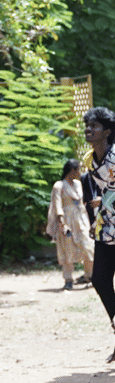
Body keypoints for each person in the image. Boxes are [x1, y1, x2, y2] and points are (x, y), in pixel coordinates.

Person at [84, 106, 115, 362]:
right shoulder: (90, 159)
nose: (88, 129)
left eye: (94, 126)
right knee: (99, 278)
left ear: (106, 132)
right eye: (87, 125)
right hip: (105, 228)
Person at [47, 159, 94, 290]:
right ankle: (68, 279)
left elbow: (82, 201)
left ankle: (89, 276)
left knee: (89, 246)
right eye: (78, 169)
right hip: (67, 220)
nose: (80, 172)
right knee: (67, 249)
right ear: (71, 170)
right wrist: (62, 223)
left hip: (81, 219)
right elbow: (57, 205)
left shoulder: (78, 184)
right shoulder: (59, 186)